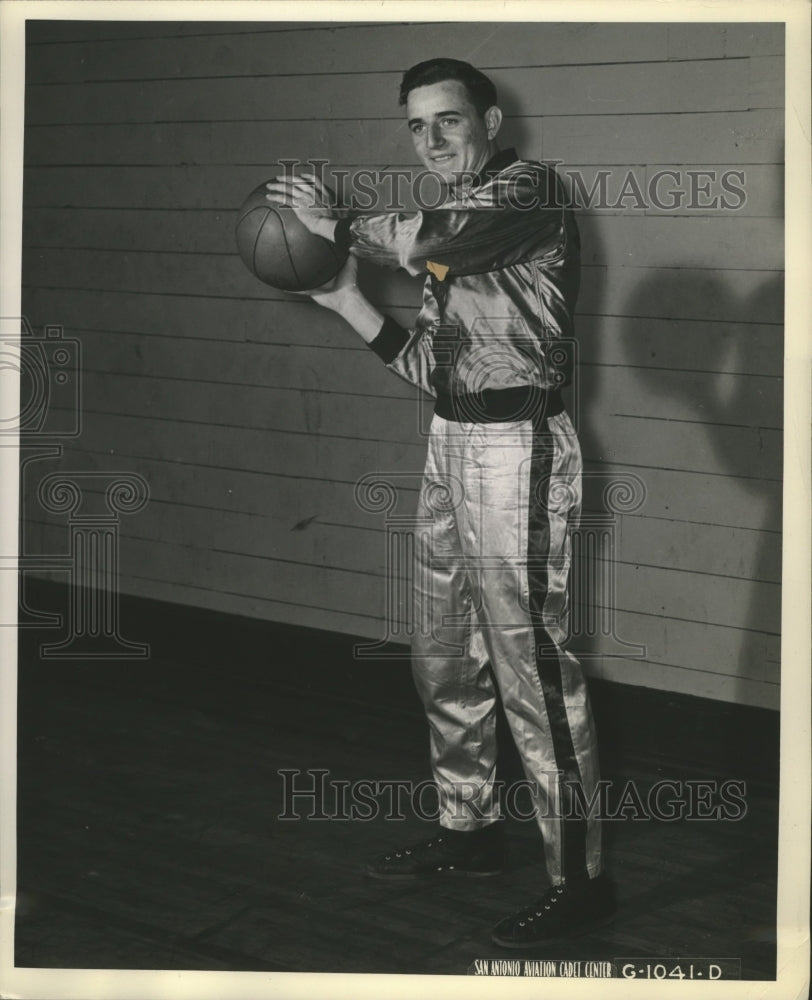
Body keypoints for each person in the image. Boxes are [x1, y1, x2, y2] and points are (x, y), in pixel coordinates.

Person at [265, 57, 614, 947]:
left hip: (521, 448)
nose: (431, 141)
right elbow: (432, 366)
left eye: (448, 121)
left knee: (533, 671)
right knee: (442, 653)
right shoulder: (449, 238)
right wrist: (345, 300)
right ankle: (472, 830)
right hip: (452, 442)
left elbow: (431, 234)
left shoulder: (524, 193)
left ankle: (582, 882)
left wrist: (333, 223)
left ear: (491, 122)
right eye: (416, 127)